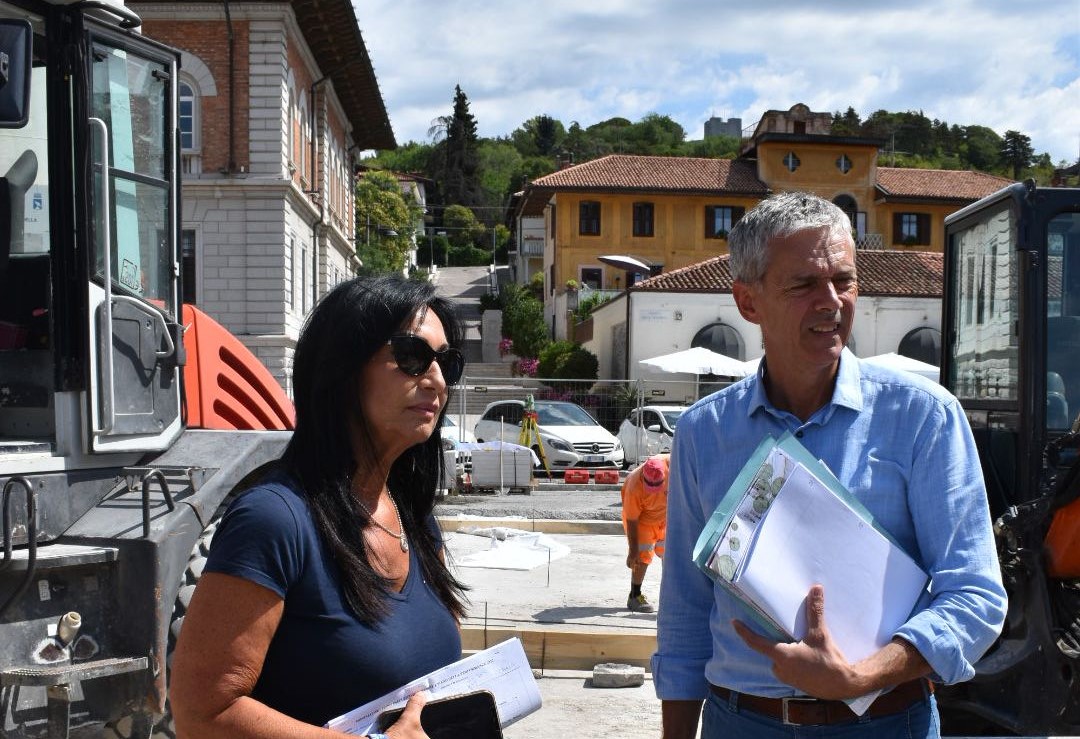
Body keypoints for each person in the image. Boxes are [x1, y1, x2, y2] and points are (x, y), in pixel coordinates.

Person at [653, 192, 1008, 738]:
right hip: (741, 723)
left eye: (844, 280)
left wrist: (860, 676)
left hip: (887, 724)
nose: (832, 301)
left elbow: (976, 596)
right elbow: (685, 612)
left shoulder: (924, 418)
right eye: (804, 285)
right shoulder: (704, 432)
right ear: (748, 302)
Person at [170, 275, 470, 738]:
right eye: (412, 357)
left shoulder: (415, 520)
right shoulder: (274, 521)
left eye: (446, 363)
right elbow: (203, 714)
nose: (435, 379)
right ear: (344, 369)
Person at [621, 454, 670, 613]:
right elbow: (632, 520)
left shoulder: (674, 464)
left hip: (667, 516)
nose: (655, 491)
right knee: (641, 557)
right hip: (643, 522)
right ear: (643, 477)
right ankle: (635, 596)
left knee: (671, 557)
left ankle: (671, 598)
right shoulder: (634, 486)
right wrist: (632, 551)